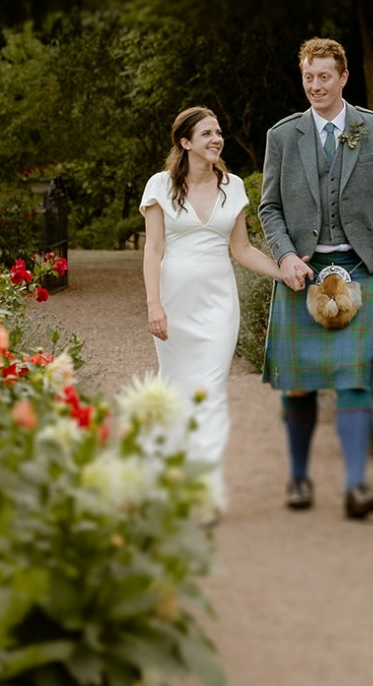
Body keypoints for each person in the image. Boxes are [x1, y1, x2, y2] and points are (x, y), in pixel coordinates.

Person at [259, 37, 373, 520]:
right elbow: (269, 207)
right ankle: (299, 478)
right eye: (308, 77)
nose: (316, 85)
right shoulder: (283, 136)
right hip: (301, 273)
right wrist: (283, 256)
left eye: (324, 76)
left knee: (355, 379)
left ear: (344, 77)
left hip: (360, 268)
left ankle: (356, 487)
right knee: (299, 384)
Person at [140, 106, 282, 518]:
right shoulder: (159, 186)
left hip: (219, 306)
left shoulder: (233, 186)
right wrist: (154, 304)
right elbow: (154, 249)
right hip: (173, 304)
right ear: (185, 142)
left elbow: (242, 249)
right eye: (206, 134)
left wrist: (285, 272)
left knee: (210, 394)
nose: (216, 139)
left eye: (218, 132)